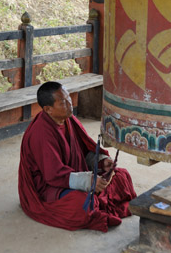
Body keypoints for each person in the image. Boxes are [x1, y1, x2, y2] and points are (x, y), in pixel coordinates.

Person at [18, 81, 136, 232]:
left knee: (122, 176)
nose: (70, 104)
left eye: (69, 98)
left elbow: (83, 149)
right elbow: (53, 175)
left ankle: (96, 195)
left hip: (73, 173)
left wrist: (101, 162)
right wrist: (89, 181)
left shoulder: (69, 119)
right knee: (83, 203)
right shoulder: (41, 134)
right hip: (49, 186)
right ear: (48, 109)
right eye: (63, 102)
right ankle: (94, 199)